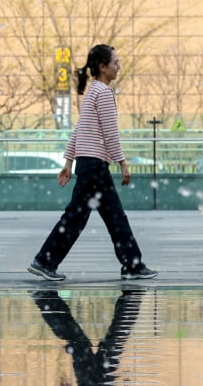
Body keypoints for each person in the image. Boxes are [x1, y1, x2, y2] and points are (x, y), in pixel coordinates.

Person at [28, 44, 157, 282]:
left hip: (89, 164)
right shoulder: (104, 93)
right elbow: (110, 133)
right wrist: (123, 163)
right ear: (102, 67)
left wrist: (68, 162)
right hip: (95, 166)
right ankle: (45, 260)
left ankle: (132, 264)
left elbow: (78, 131)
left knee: (113, 216)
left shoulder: (92, 92)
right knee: (77, 217)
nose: (118, 67)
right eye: (115, 63)